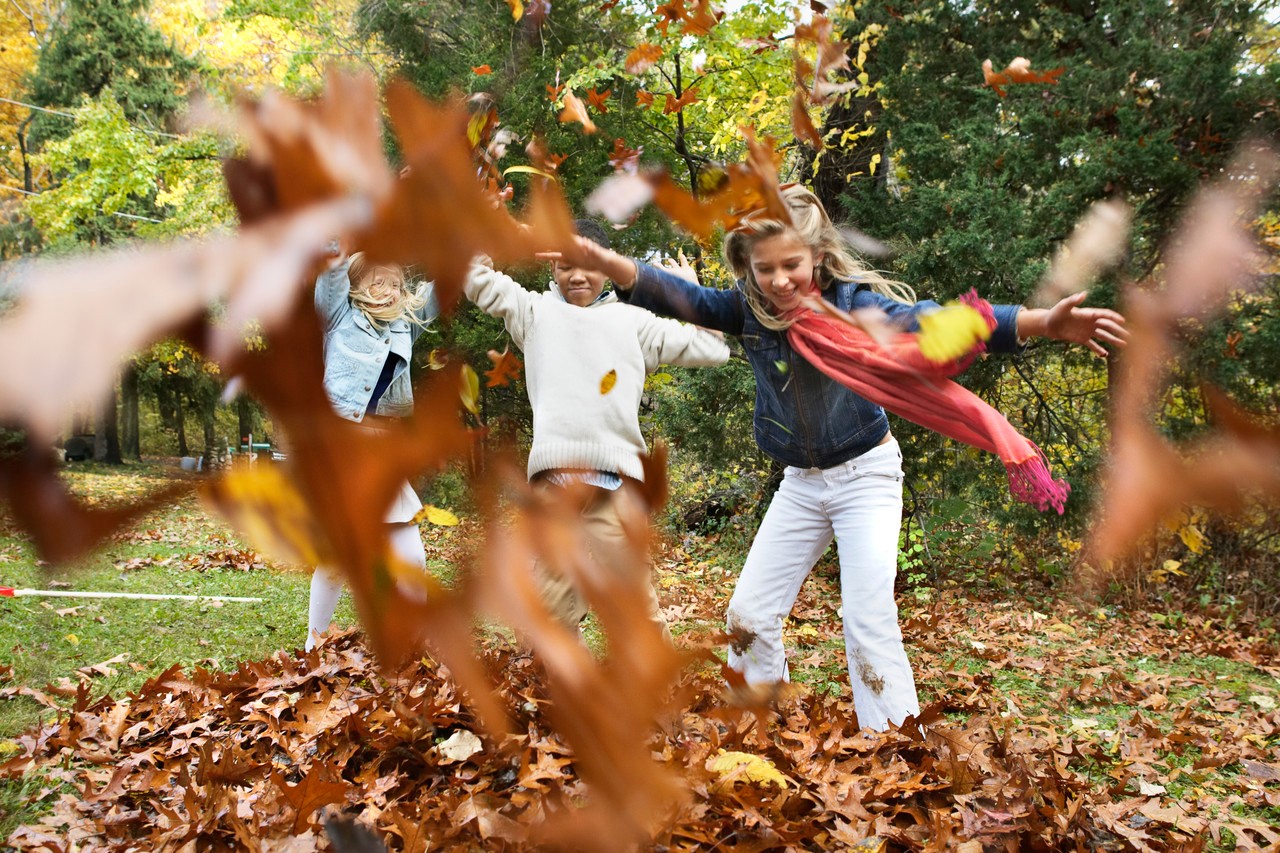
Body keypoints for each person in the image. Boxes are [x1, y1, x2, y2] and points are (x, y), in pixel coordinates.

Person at [546, 185, 1127, 730]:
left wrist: (1038, 323)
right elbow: (677, 296)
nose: (777, 281)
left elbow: (936, 321)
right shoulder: (746, 310)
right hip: (801, 482)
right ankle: (762, 725)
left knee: (866, 616)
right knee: (748, 613)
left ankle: (895, 743)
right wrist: (603, 257)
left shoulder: (854, 309)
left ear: (818, 258)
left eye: (791, 265)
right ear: (747, 265)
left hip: (866, 474)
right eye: (764, 267)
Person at [464, 219, 730, 639]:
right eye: (566, 265)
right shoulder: (534, 312)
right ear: (553, 268)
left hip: (618, 485)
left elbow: (713, 349)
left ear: (607, 269)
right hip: (555, 486)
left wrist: (690, 296)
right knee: (550, 613)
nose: (577, 276)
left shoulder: (633, 321)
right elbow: (475, 278)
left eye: (588, 264)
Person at [306, 249, 440, 651]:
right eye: (378, 282)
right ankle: (313, 646)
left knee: (412, 558)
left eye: (396, 284)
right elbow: (330, 264)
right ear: (357, 284)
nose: (388, 292)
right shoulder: (336, 315)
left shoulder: (406, 326)